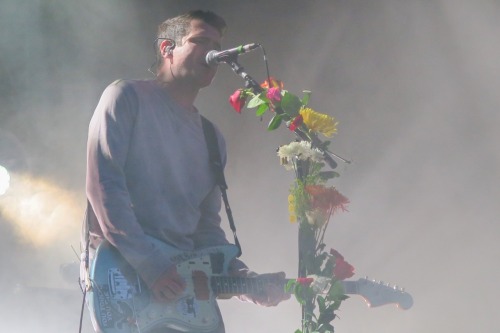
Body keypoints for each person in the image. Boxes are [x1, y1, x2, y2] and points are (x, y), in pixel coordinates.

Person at [82, 9, 289, 333]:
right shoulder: (125, 97)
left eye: (218, 44)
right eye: (201, 41)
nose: (214, 53)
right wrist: (151, 266)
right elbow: (104, 187)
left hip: (183, 297)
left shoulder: (211, 138)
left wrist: (244, 280)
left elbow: (206, 229)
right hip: (130, 279)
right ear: (167, 49)